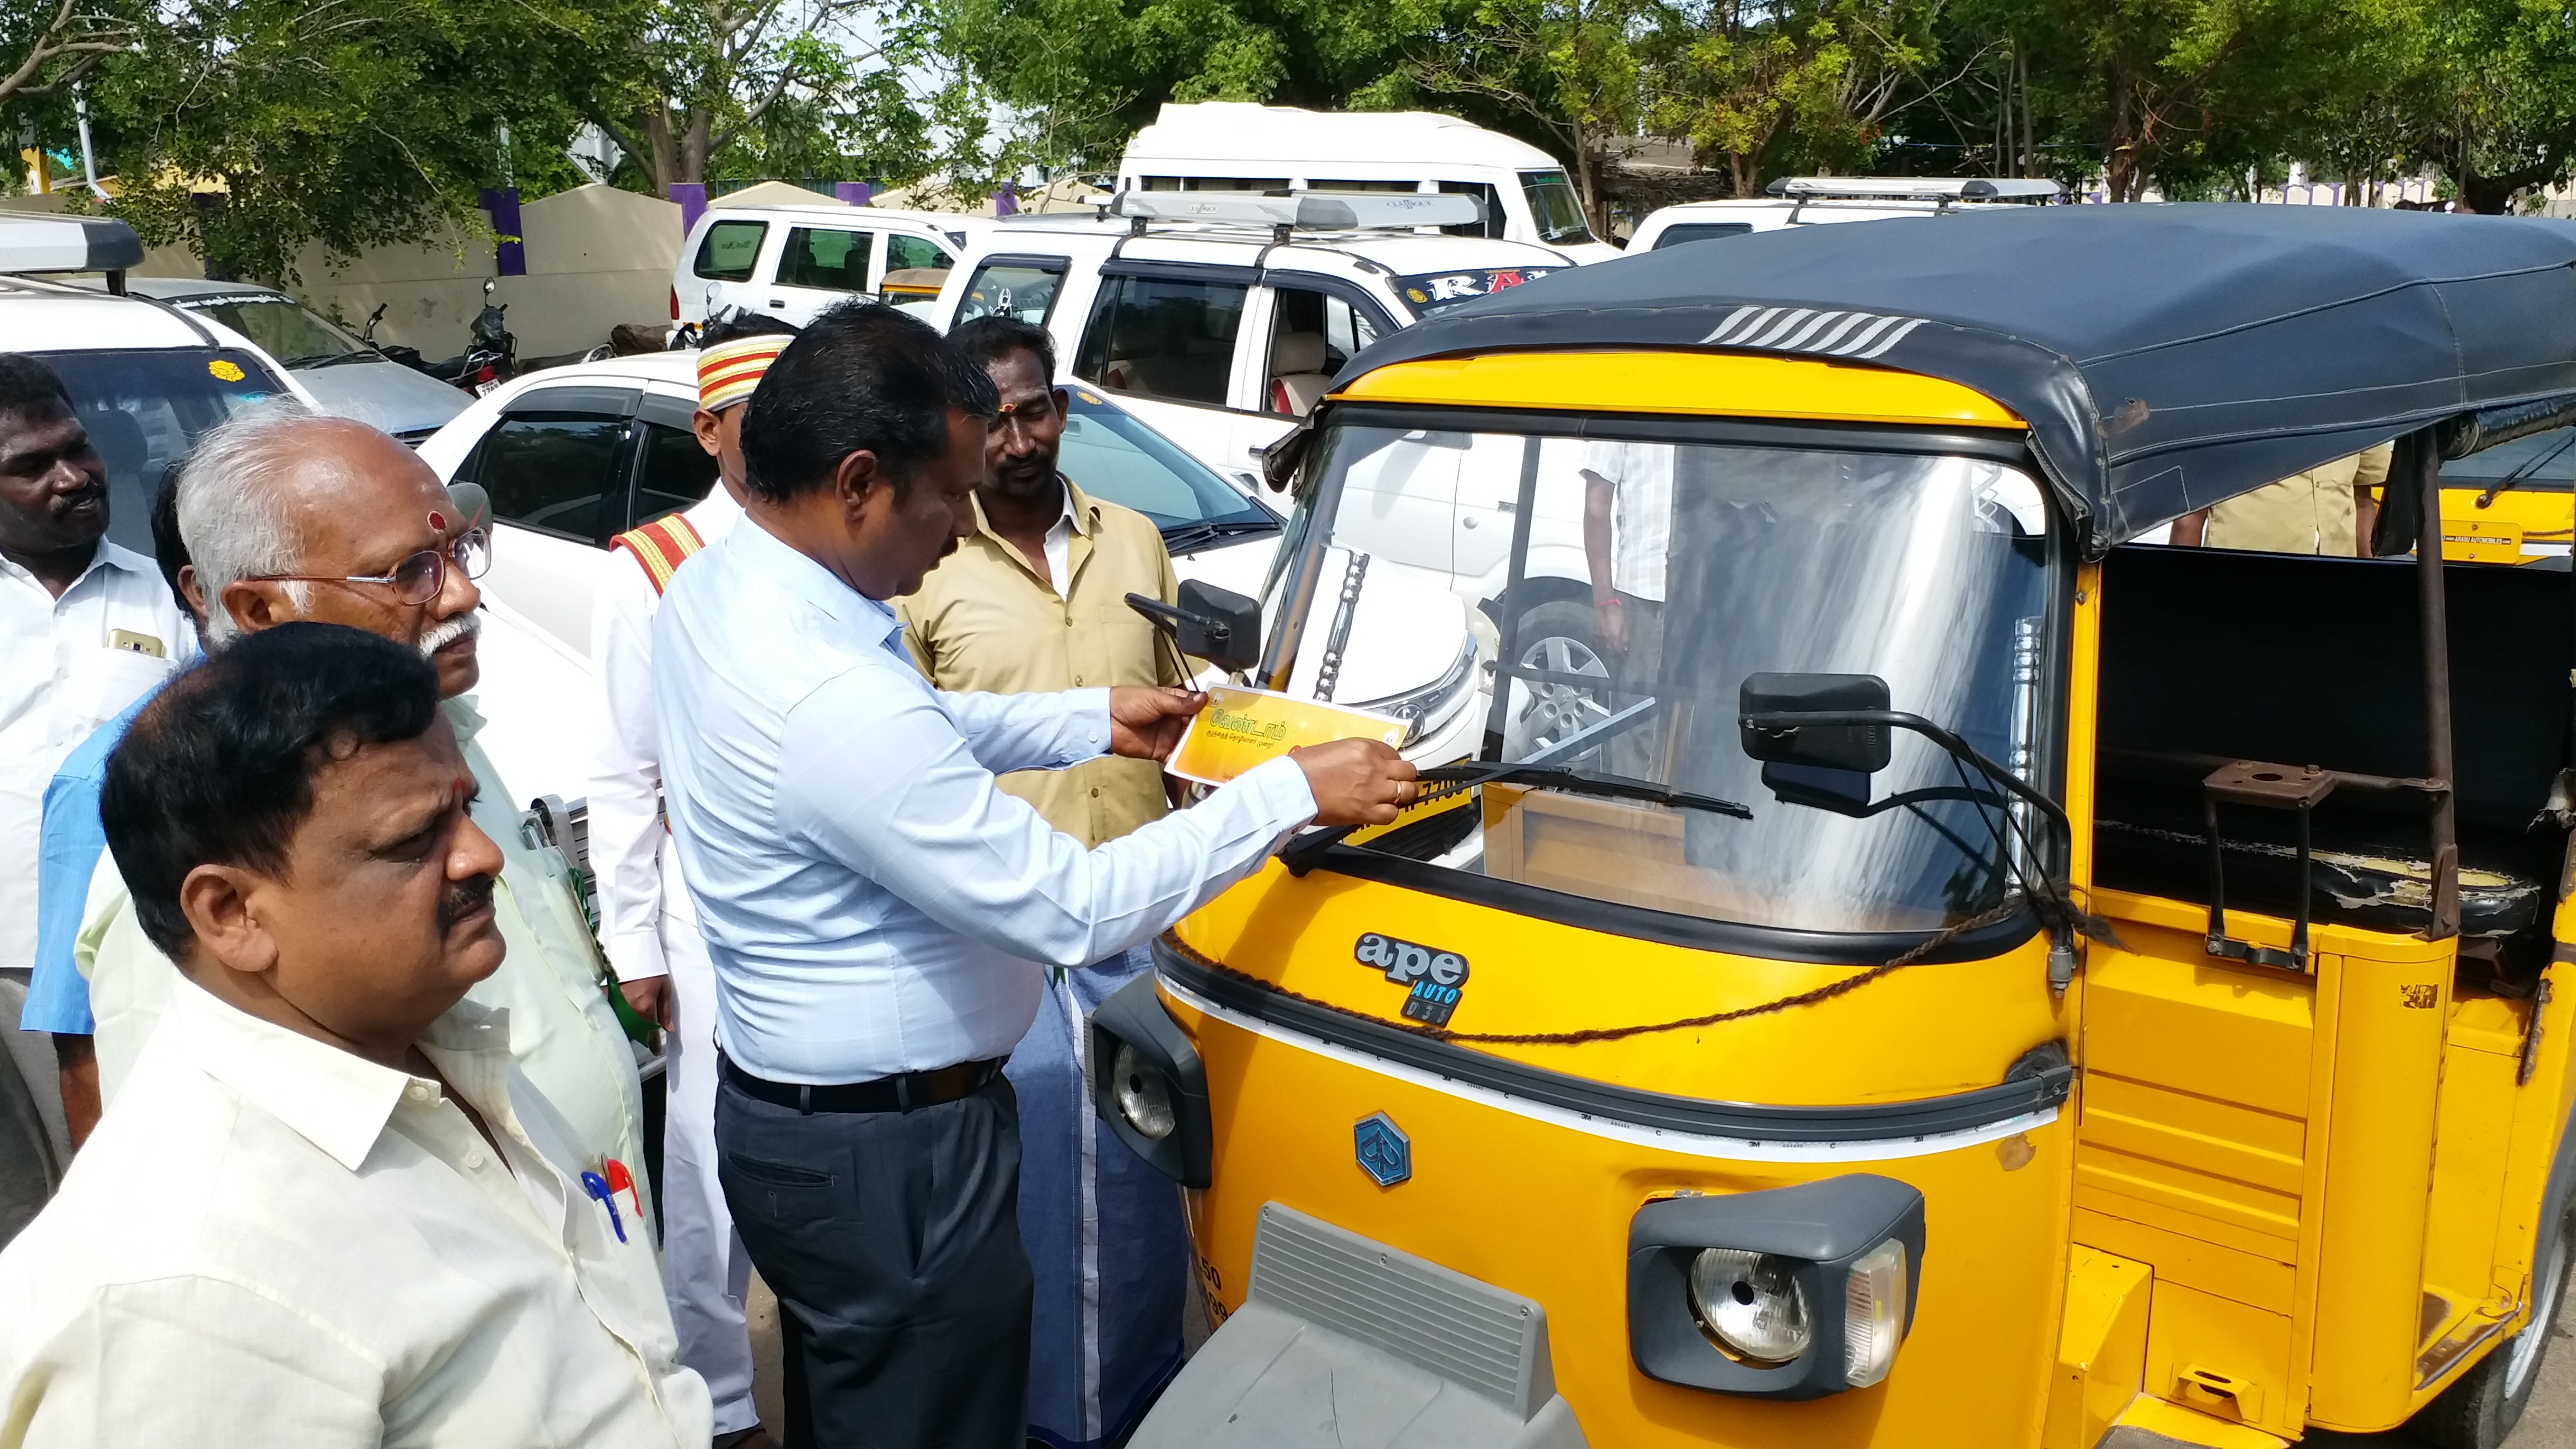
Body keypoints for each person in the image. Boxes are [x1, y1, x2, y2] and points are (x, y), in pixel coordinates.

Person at [652, 301, 1419, 1447]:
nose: (962, 528)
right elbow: (1072, 904)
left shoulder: (732, 586)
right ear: (858, 480)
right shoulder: (820, 683)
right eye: (945, 494)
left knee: (863, 1411)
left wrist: (1090, 719)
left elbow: (914, 727)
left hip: (813, 1130)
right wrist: (1291, 792)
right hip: (896, 1166)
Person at [0, 622, 712, 1445]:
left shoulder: (428, 1050)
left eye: (465, 810)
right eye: (414, 841)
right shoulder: (186, 1294)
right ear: (231, 913)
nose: (482, 857)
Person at [67, 402, 650, 1188]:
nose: (460, 597)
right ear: (260, 611)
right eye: (409, 570)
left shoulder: (440, 727)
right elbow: (196, 1178)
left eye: (459, 550)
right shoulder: (197, 860)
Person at [899, 314, 1192, 1447]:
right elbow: (916, 754)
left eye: (1035, 409)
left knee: (1142, 1194)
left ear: (1061, 409)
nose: (1018, 439)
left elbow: (1177, 706)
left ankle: (1143, 1406)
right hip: (1004, 936)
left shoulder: (1136, 540)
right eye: (993, 417)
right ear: (959, 427)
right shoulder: (926, 569)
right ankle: (1042, 1422)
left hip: (1140, 913)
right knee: (1026, 1206)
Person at [590, 314, 795, 1449]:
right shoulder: (654, 565)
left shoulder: (834, 545)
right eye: (758, 423)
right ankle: (717, 1399)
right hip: (704, 903)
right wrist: (637, 950)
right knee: (711, 1157)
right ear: (711, 430)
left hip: (824, 894)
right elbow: (621, 769)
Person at [2, 356, 191, 1170]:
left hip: (120, 961)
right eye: (31, 466)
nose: (74, 476)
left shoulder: (173, 602)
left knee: (115, 1174)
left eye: (77, 448)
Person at [1579, 440, 1675, 778]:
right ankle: (1626, 818)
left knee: (1690, 725)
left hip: (1708, 590)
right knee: (1635, 725)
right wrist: (1606, 603)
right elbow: (1596, 508)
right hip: (1643, 591)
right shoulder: (1628, 395)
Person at [2170, 442, 2395, 553]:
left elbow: (2362, 501)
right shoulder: (2230, 402)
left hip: (2337, 578)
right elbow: (2189, 516)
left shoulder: (2356, 403)